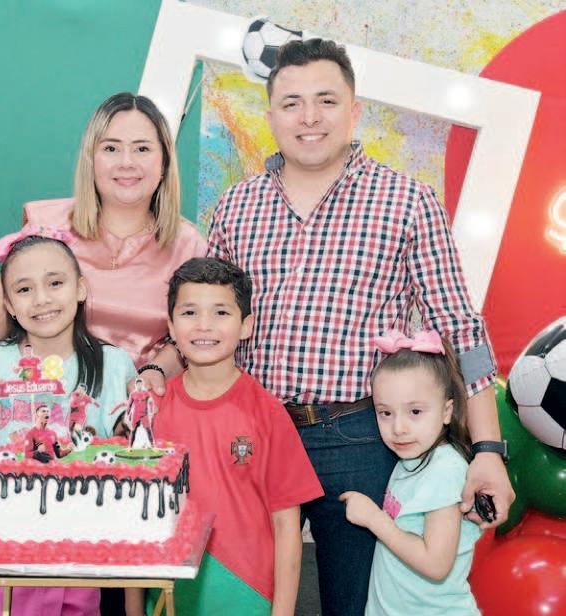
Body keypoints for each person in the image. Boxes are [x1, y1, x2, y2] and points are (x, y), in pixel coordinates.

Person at [206, 38, 514, 615]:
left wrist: (489, 450)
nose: (309, 117)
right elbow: (205, 321)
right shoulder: (236, 206)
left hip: (360, 439)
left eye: (326, 100)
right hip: (254, 432)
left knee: (357, 604)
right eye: (292, 103)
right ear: (270, 116)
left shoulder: (407, 201)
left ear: (354, 110)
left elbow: (461, 331)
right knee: (241, 599)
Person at [0, 92, 206, 423]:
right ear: (91, 158)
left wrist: (153, 371)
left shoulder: (189, 245)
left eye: (142, 148)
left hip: (139, 418)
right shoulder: (47, 225)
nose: (126, 162)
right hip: (43, 413)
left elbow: (190, 335)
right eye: (111, 148)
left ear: (164, 161)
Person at [0, 231, 136, 616]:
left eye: (55, 283)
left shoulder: (114, 365)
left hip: (80, 552)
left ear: (80, 288)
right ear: (8, 305)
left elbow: (126, 458)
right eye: (24, 289)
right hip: (2, 548)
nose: (42, 299)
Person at [148, 257, 324, 616]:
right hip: (167, 594)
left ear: (246, 326)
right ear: (171, 326)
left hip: (249, 596)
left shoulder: (268, 413)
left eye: (221, 313)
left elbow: (286, 525)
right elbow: (136, 520)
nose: (204, 325)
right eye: (190, 312)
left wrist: (283, 611)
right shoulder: (152, 410)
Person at [340, 330, 481, 615]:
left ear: (446, 411)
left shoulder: (444, 469)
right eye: (385, 413)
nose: (399, 428)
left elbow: (436, 565)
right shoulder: (411, 460)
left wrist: (373, 519)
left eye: (415, 412)